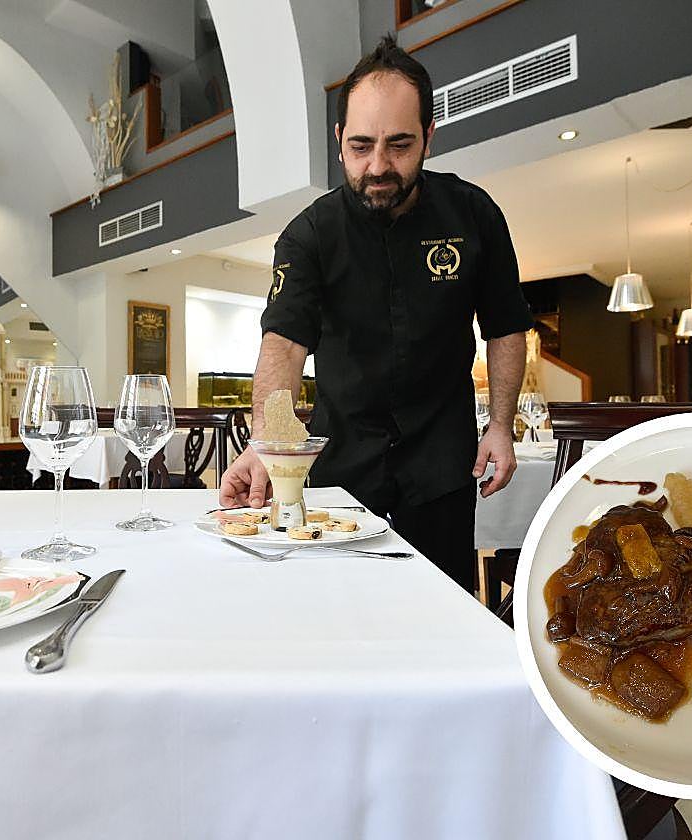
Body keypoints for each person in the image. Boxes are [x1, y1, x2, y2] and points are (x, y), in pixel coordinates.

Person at [219, 35, 531, 592]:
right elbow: (283, 346)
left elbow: (506, 327)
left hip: (442, 464)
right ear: (339, 141)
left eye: (400, 145)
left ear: (430, 139)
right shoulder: (309, 236)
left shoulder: (474, 215)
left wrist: (502, 426)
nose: (378, 166)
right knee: (341, 614)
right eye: (361, 146)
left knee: (444, 613)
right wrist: (268, 446)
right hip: (342, 469)